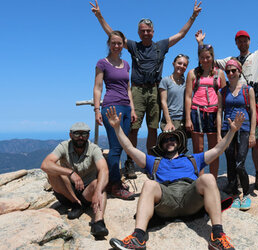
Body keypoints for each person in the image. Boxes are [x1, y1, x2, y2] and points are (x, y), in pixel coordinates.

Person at [105, 106, 243, 250]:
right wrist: (117, 128)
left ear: (178, 142)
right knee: (149, 184)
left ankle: (217, 236)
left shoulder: (193, 159)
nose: (169, 141)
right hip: (167, 198)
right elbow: (130, 149)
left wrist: (232, 131)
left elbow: (217, 150)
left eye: (172, 138)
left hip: (190, 196)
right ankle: (138, 238)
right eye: (166, 140)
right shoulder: (154, 161)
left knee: (208, 178)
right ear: (161, 145)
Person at [90, 0, 202, 175]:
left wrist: (193, 16)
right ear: (139, 32)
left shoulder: (161, 46)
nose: (146, 33)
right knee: (133, 128)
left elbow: (181, 34)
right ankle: (129, 162)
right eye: (143, 31)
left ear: (153, 32)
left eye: (148, 30)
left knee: (152, 128)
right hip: (136, 90)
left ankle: (151, 163)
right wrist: (99, 16)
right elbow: (114, 36)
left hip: (155, 90)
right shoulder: (134, 46)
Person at [195, 0, 258, 194]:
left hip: (251, 99)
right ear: (236, 43)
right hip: (232, 102)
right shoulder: (229, 61)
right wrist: (201, 43)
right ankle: (235, 177)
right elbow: (207, 60)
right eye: (240, 40)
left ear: (249, 42)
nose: (243, 42)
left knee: (255, 141)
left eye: (245, 40)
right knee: (234, 143)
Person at [40, 122, 109, 238]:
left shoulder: (94, 149)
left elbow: (104, 170)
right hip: (67, 192)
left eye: (84, 134)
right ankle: (76, 204)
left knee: (99, 184)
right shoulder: (63, 146)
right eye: (77, 134)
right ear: (70, 135)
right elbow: (45, 164)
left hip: (86, 193)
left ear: (88, 136)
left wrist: (97, 192)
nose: (81, 137)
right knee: (53, 173)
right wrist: (70, 173)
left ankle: (98, 223)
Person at [93, 30, 137, 200]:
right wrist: (97, 110)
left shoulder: (126, 64)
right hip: (111, 106)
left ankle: (114, 181)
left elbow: (128, 88)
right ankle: (116, 186)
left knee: (124, 144)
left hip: (126, 107)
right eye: (114, 43)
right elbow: (97, 88)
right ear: (109, 44)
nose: (117, 46)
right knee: (116, 147)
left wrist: (132, 109)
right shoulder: (102, 63)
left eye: (120, 43)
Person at [217, 59, 256, 211]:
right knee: (229, 159)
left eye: (234, 70)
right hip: (227, 129)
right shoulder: (223, 91)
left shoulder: (248, 90)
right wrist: (220, 134)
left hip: (244, 128)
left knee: (240, 162)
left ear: (240, 71)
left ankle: (245, 194)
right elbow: (220, 111)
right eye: (228, 71)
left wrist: (252, 133)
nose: (231, 74)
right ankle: (233, 191)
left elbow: (252, 111)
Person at [185, 44, 226, 178]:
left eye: (208, 57)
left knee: (214, 150)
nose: (205, 60)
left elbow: (224, 95)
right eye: (202, 57)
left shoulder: (219, 73)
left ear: (212, 57)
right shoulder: (192, 73)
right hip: (196, 111)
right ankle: (200, 180)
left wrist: (222, 116)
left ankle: (213, 180)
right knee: (199, 149)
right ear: (199, 58)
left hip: (214, 112)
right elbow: (188, 96)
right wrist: (188, 119)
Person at [159, 54, 189, 132]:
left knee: (183, 144)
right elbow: (163, 102)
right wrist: (169, 122)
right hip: (170, 120)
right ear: (173, 64)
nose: (182, 66)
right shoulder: (166, 81)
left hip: (183, 121)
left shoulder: (186, 84)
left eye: (184, 65)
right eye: (179, 63)